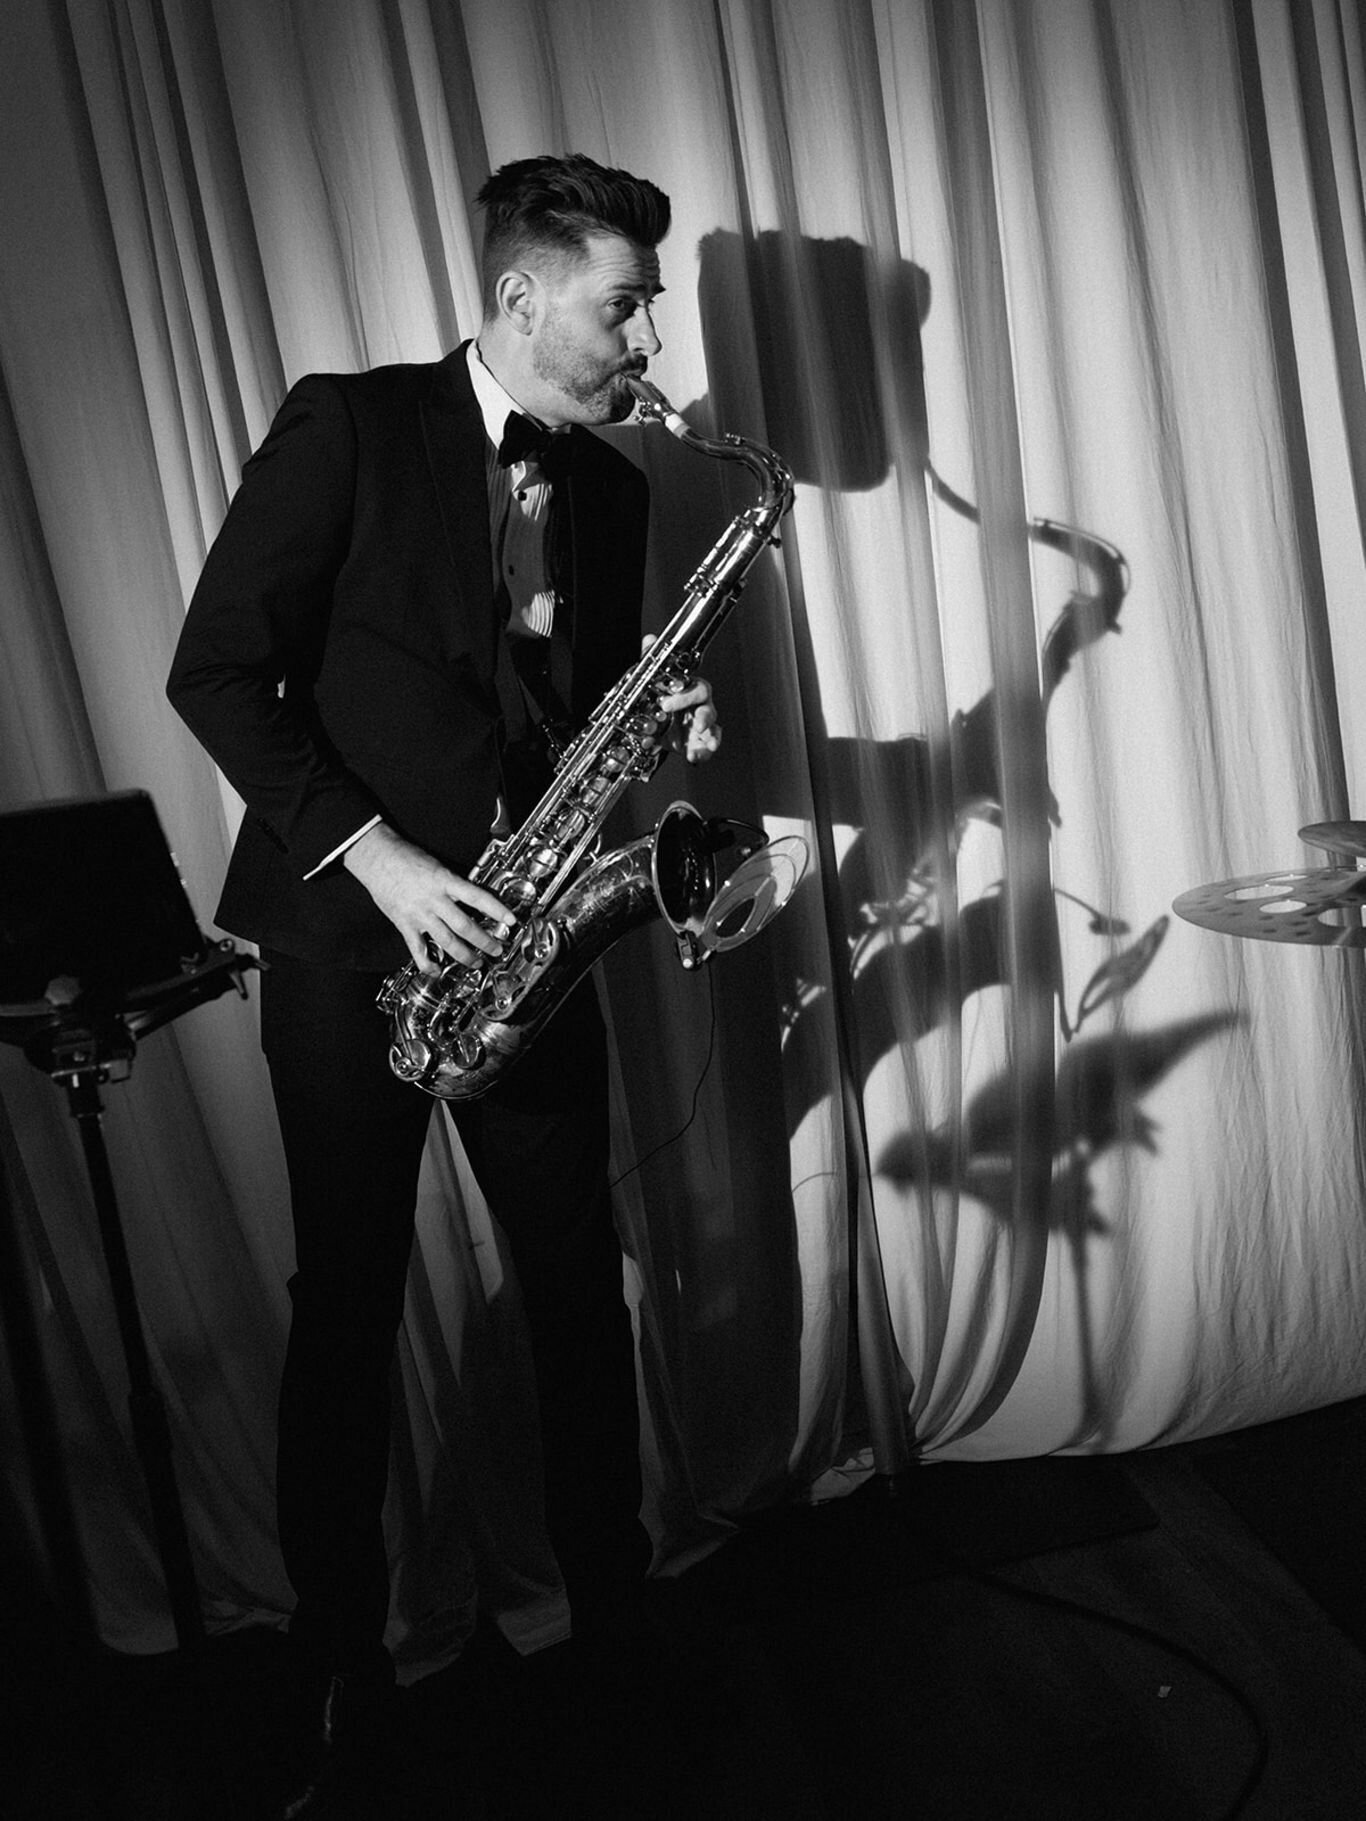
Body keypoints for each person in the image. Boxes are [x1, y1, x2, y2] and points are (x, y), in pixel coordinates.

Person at [167, 152, 719, 1814]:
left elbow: (556, 715)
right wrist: (380, 863)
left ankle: (608, 1631)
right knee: (343, 1305)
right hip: (352, 950)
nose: (647, 330)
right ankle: (334, 1661)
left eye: (649, 301)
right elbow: (213, 671)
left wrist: (648, 734)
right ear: (519, 294)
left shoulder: (614, 488)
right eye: (624, 301)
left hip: (522, 949)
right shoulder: (349, 424)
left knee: (575, 1289)